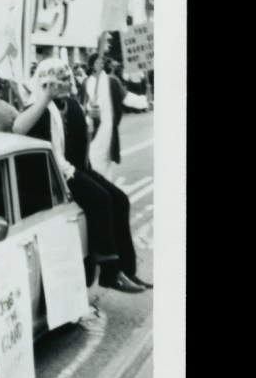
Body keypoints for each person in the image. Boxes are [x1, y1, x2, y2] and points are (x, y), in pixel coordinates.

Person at [13, 57, 152, 293]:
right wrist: (45, 98)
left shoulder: (72, 104)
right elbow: (18, 127)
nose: (67, 82)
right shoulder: (38, 106)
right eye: (61, 79)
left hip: (79, 167)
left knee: (120, 199)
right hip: (55, 175)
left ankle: (126, 269)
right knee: (101, 200)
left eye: (67, 78)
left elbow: (82, 140)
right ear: (47, 82)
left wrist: (92, 121)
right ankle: (109, 271)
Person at [85, 52, 126, 178]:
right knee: (92, 159)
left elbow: (126, 97)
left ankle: (107, 189)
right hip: (91, 128)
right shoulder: (86, 83)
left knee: (105, 162)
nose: (101, 64)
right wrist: (88, 113)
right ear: (91, 65)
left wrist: (144, 101)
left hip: (107, 127)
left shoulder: (111, 81)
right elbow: (81, 105)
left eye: (102, 62)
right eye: (97, 62)